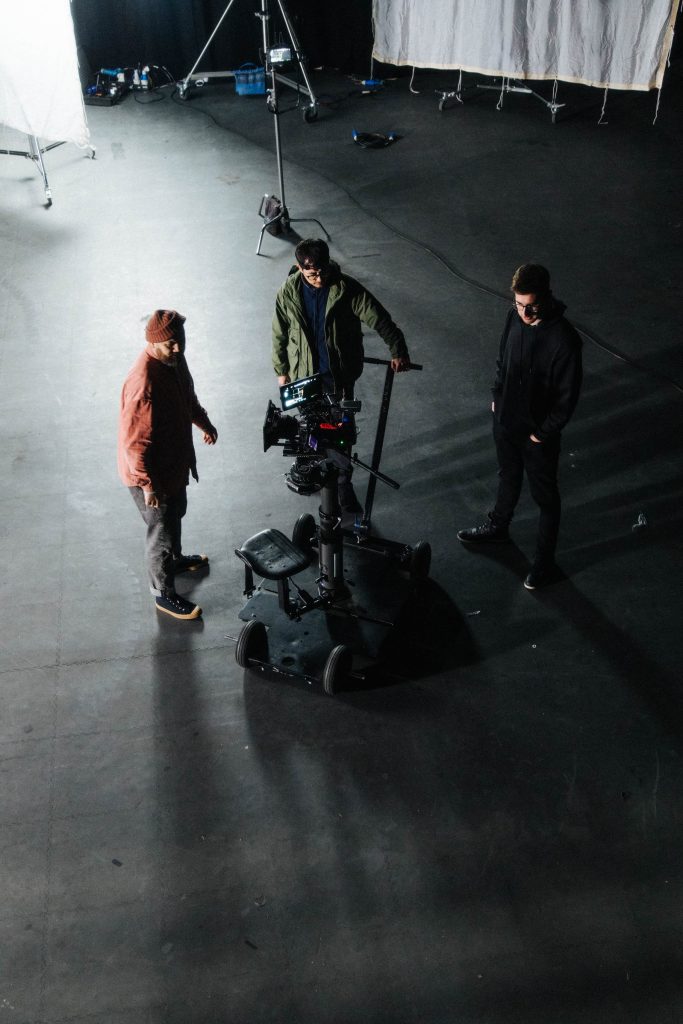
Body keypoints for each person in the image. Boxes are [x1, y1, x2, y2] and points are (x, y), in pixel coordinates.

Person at [457, 264, 582, 590]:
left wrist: (542, 433)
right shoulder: (513, 317)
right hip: (507, 422)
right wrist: (497, 397)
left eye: (532, 306)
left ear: (547, 297)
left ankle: (544, 562)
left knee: (546, 498)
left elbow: (566, 400)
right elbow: (503, 360)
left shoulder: (564, 340)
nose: (524, 312)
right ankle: (499, 527)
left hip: (537, 435)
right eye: (518, 304)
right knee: (507, 475)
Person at [272, 238, 411, 511]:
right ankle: (313, 471)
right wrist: (281, 370)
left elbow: (378, 317)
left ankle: (342, 485)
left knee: (340, 433)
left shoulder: (346, 288)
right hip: (304, 375)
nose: (319, 278)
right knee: (310, 427)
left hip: (337, 377)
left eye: (323, 270)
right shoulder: (287, 293)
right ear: (299, 268)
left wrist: (398, 349)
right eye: (311, 274)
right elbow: (279, 332)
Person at [118, 309, 218, 620]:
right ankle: (163, 594)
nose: (177, 348)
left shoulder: (174, 361)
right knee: (159, 532)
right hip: (151, 476)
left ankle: (175, 559)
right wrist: (149, 486)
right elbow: (135, 445)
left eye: (180, 341)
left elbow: (187, 397)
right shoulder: (143, 384)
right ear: (153, 343)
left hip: (173, 464)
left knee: (176, 513)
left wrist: (204, 423)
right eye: (170, 344)